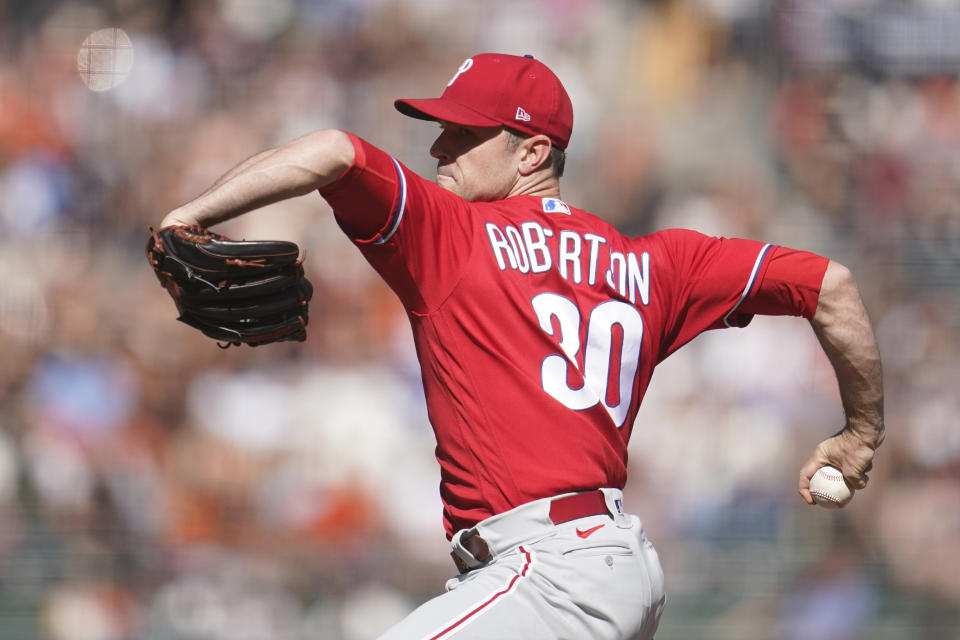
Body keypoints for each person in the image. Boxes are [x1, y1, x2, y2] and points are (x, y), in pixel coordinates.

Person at [158, 53, 884, 639]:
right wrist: (859, 432)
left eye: (466, 135)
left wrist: (188, 213)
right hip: (600, 569)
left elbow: (333, 150)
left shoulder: (453, 237)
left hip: (552, 575)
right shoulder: (659, 263)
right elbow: (831, 284)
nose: (441, 147)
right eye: (442, 130)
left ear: (534, 149)